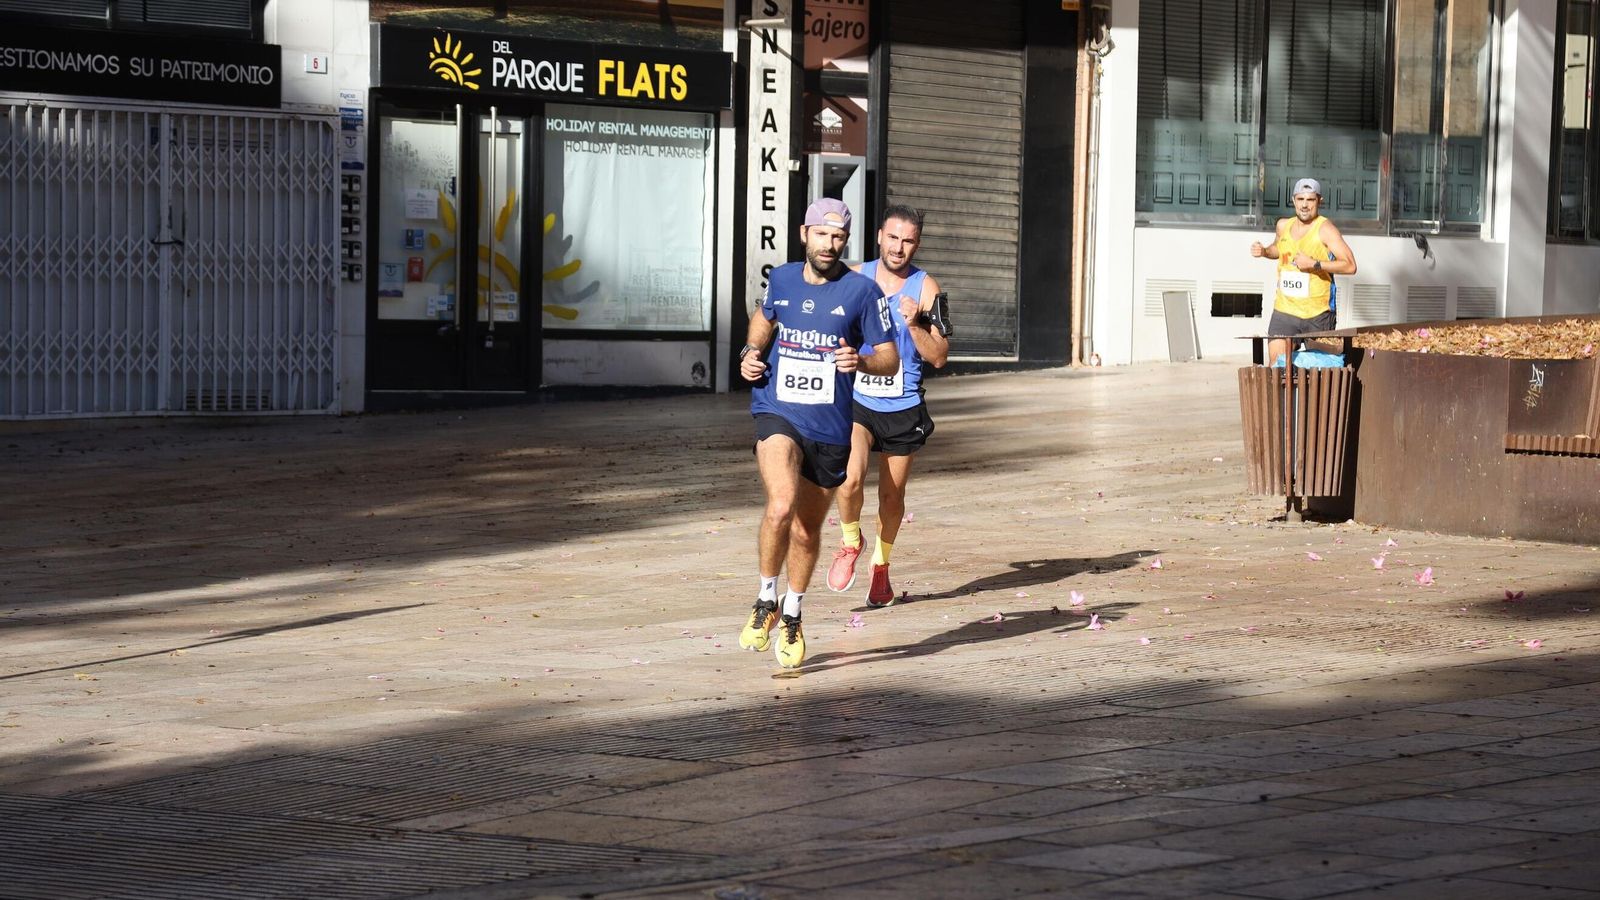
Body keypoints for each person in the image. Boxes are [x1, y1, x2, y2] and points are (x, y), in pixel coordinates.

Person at [737, 198, 900, 669]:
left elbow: (888, 359)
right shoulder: (783, 278)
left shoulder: (863, 292)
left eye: (839, 237)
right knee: (781, 504)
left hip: (829, 428)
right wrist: (751, 352)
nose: (831, 245)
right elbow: (764, 319)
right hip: (777, 410)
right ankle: (765, 598)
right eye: (823, 235)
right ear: (804, 234)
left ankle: (792, 610)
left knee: (808, 532)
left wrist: (863, 361)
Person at [826, 205, 950, 606]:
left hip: (902, 404)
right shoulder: (854, 278)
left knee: (892, 498)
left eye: (908, 240)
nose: (899, 248)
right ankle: (849, 542)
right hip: (857, 398)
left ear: (917, 244)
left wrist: (915, 324)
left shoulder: (927, 288)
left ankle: (881, 566)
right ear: (879, 236)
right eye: (893, 238)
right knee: (849, 478)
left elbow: (939, 357)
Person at [1250, 178, 1358, 367]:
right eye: (1301, 199)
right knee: (1277, 365)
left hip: (1317, 314)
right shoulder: (1283, 225)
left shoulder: (1325, 229)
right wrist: (1265, 252)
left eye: (1310, 200)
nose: (1305, 205)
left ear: (1319, 201)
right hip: (1285, 310)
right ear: (1293, 200)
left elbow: (1350, 265)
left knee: (1318, 373)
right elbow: (1278, 248)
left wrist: (1313, 264)